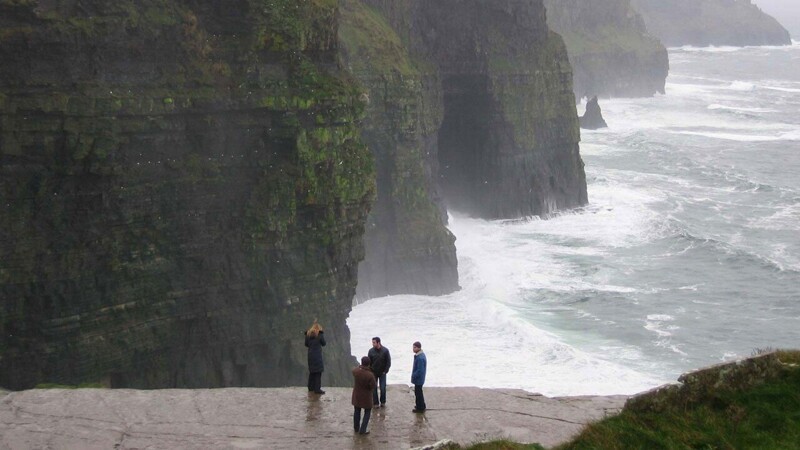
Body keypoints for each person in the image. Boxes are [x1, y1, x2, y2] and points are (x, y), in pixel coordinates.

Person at [352, 356, 377, 435]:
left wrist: (360, 367)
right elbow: (373, 386)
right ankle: (363, 429)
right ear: (369, 364)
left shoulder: (356, 371)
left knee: (357, 411)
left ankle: (356, 428)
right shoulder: (370, 375)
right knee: (367, 412)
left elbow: (354, 370)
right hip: (366, 396)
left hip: (357, 395)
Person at [368, 337, 391, 407]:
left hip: (382, 373)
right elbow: (369, 362)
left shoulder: (385, 351)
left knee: (383, 388)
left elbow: (388, 362)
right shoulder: (371, 351)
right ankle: (375, 403)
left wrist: (385, 371)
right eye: (372, 342)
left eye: (374, 342)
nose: (373, 344)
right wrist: (370, 371)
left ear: (378, 342)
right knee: (374, 388)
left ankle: (383, 402)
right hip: (373, 372)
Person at [304, 320, 326, 394]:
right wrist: (321, 334)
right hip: (317, 356)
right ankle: (317, 389)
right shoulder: (319, 334)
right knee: (318, 372)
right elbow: (324, 343)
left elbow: (306, 344)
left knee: (312, 372)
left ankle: (310, 388)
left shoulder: (308, 334)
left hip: (310, 355)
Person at [411, 341, 427, 413]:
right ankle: (421, 405)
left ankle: (420, 408)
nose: (413, 349)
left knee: (418, 393)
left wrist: (414, 375)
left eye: (414, 347)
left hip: (419, 379)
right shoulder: (420, 355)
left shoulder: (420, 357)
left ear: (419, 348)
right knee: (419, 392)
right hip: (420, 379)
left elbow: (420, 370)